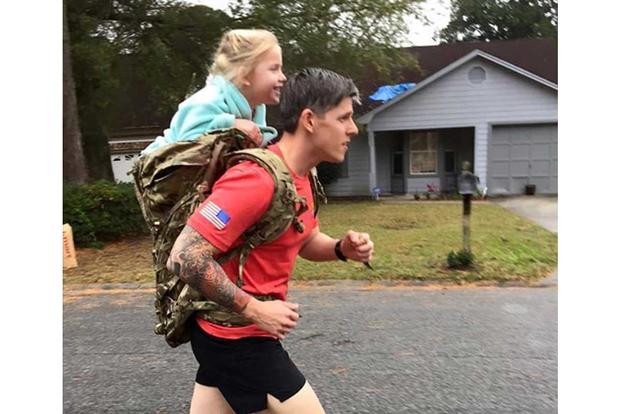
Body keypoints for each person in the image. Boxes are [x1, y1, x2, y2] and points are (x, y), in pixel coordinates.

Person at [167, 67, 375, 414]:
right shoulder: (255, 178)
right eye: (344, 118)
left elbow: (304, 239)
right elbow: (185, 255)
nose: (353, 129)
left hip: (235, 337)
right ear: (310, 120)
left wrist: (341, 248)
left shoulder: (300, 177)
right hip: (237, 339)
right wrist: (254, 309)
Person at [142, 29, 286, 155]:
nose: (283, 77)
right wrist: (228, 125)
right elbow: (186, 147)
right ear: (245, 75)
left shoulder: (257, 108)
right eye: (274, 69)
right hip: (160, 174)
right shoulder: (207, 101)